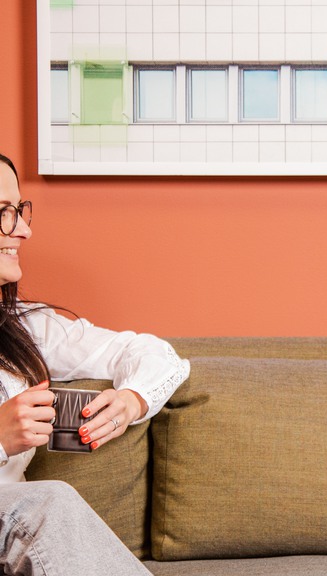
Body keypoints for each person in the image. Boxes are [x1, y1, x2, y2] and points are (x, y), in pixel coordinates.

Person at [0, 152, 190, 575]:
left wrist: (132, 400)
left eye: (19, 211)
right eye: (3, 213)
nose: (24, 230)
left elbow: (155, 354)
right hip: (18, 520)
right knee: (49, 502)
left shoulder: (29, 328)